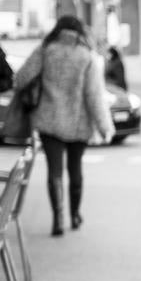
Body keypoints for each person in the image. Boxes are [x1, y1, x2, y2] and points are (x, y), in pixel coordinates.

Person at [13, 16, 113, 236]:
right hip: (79, 123)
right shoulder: (86, 55)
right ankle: (75, 215)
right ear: (79, 32)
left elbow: (21, 78)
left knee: (54, 171)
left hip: (48, 120)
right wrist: (105, 126)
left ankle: (58, 219)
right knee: (75, 169)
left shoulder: (46, 50)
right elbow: (94, 96)